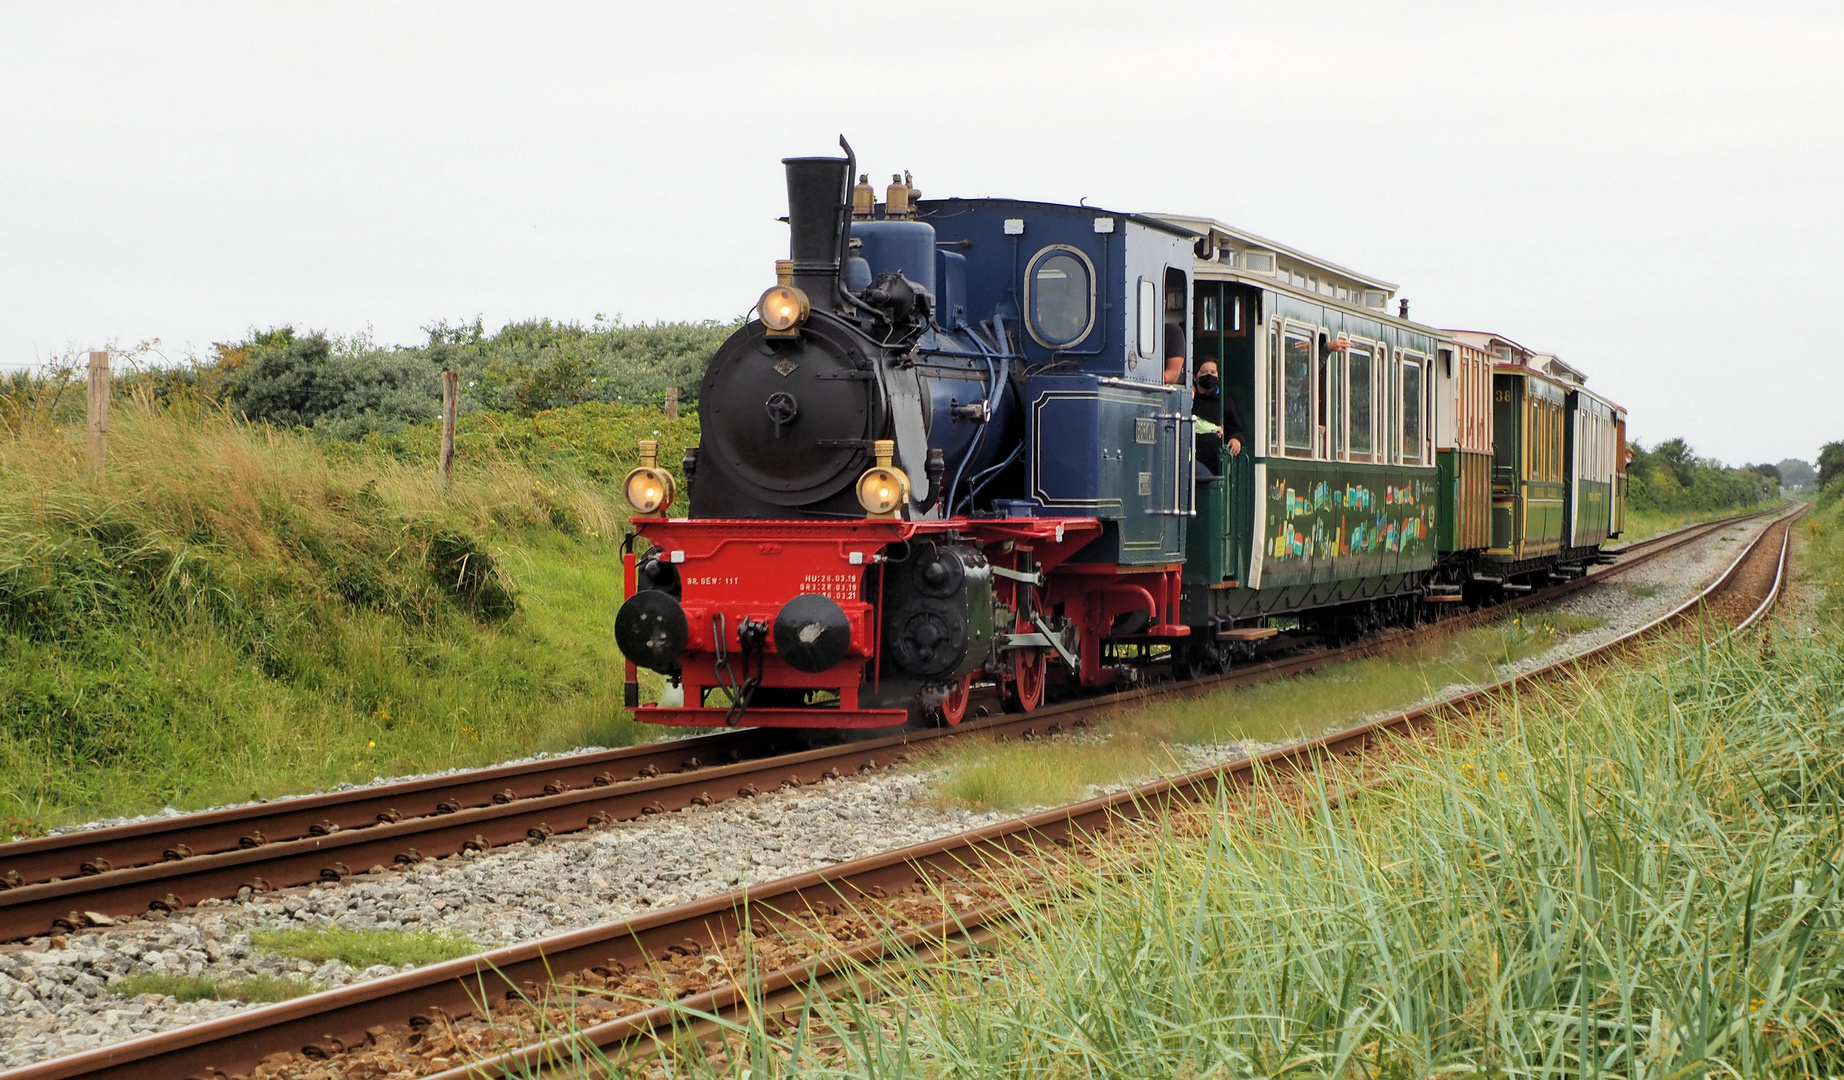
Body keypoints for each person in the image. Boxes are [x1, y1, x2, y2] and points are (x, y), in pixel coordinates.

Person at [1191, 359, 1246, 478]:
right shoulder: (1189, 401)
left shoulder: (1225, 402)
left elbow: (1236, 429)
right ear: (1195, 377)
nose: (1208, 375)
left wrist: (1236, 440)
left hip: (1214, 463)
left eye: (1212, 372)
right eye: (1204, 372)